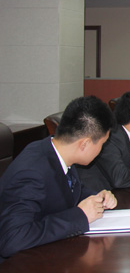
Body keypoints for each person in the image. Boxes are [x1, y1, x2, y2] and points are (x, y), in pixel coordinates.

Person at [0, 96, 117, 261]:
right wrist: (80, 215)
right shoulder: (32, 171)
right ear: (84, 144)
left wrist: (97, 198)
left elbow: (70, 190)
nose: (101, 150)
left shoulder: (57, 152)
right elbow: (13, 239)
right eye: (102, 144)